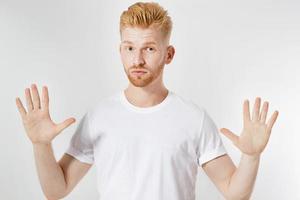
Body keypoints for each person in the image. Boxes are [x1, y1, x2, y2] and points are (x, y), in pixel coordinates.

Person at [15, 2, 279, 200]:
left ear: (169, 54)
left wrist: (251, 157)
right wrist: (41, 145)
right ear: (121, 51)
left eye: (149, 48)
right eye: (130, 48)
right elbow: (56, 190)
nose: (138, 60)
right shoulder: (99, 116)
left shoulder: (194, 118)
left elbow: (234, 192)